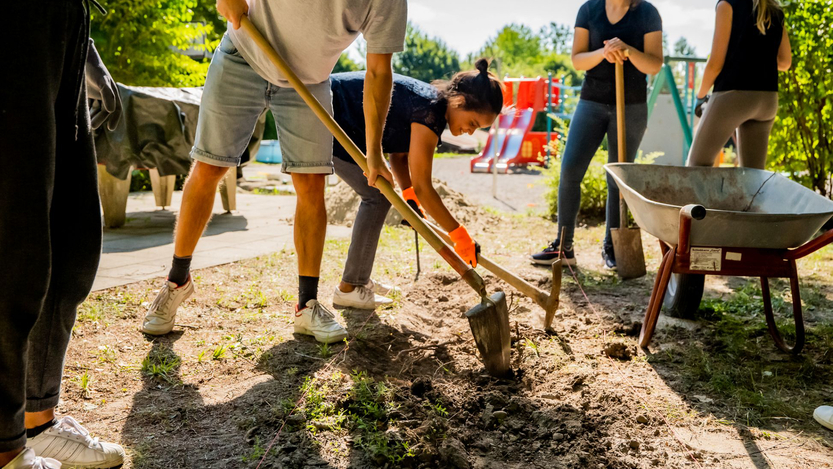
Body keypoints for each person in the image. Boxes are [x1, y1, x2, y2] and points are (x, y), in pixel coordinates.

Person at [140, 0, 407, 344]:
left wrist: (374, 154)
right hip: (244, 52)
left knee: (312, 184)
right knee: (209, 166)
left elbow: (379, 72)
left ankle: (307, 304)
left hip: (308, 82)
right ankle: (177, 282)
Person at [1, 1, 126, 468]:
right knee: (16, 238)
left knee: (72, 239)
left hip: (62, 26)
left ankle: (39, 419)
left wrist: (82, 46)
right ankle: (5, 446)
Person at [327, 61, 503, 309]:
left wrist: (409, 196)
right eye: (473, 123)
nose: (471, 132)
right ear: (458, 101)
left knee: (379, 195)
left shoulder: (433, 106)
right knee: (377, 197)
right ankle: (350, 288)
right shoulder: (429, 110)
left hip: (343, 118)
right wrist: (459, 235)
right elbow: (425, 187)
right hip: (331, 114)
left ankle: (358, 281)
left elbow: (398, 155)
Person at [531, 0, 663, 269]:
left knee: (617, 179)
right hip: (591, 103)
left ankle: (612, 247)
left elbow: (653, 64)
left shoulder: (647, 13)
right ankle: (563, 246)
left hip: (631, 106)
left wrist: (626, 50)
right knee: (570, 170)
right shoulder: (589, 10)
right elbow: (578, 59)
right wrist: (604, 53)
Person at [687, 0, 791, 169]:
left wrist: (700, 96)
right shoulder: (775, 9)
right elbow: (785, 62)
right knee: (754, 177)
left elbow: (715, 64)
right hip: (767, 100)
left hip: (733, 97)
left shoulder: (728, 4)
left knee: (697, 166)